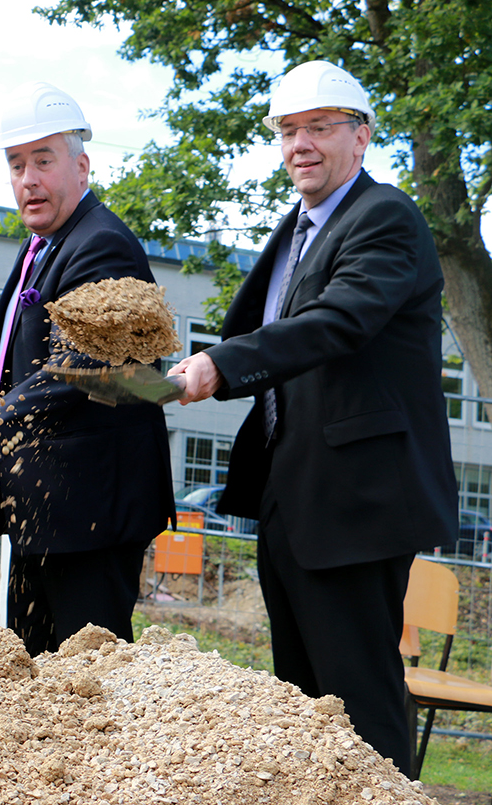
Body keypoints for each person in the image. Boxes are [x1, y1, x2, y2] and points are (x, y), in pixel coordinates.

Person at [167, 60, 458, 772]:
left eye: (320, 128)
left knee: (358, 704)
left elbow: (338, 321)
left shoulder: (384, 216)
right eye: (289, 130)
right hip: (293, 499)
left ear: (361, 138)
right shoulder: (297, 231)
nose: (301, 143)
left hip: (356, 504)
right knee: (302, 707)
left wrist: (220, 362)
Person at [0, 82, 174, 656]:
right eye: (17, 165)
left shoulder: (102, 245)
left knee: (86, 679)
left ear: (82, 165)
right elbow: (17, 360)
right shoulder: (45, 243)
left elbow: (78, 364)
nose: (28, 179)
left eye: (44, 161)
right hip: (50, 506)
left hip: (90, 513)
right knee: (39, 677)